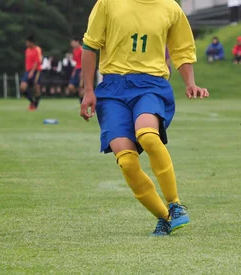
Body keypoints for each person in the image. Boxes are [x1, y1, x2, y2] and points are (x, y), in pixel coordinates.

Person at [80, 0, 209, 236]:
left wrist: (190, 82)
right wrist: (88, 89)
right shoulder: (108, 3)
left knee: (148, 136)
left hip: (151, 85)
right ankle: (164, 217)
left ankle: (175, 204)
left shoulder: (170, 8)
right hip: (112, 89)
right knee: (127, 162)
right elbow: (90, 45)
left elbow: (182, 49)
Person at [20, 35, 43, 111]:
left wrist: (32, 72)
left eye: (27, 42)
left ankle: (36, 105)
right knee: (22, 87)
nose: (26, 43)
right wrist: (27, 71)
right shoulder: (27, 50)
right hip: (28, 71)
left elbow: (37, 61)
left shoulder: (37, 49)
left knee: (36, 88)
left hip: (36, 71)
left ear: (31, 42)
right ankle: (32, 102)